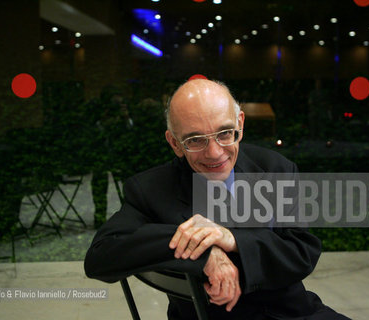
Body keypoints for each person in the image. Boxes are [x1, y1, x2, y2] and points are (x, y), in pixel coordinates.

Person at [84, 79, 349, 319]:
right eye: (195, 140)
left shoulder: (276, 169)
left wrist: (231, 240)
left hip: (292, 313)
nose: (214, 153)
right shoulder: (150, 188)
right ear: (175, 143)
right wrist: (204, 250)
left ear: (240, 125)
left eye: (224, 133)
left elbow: (302, 252)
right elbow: (100, 258)